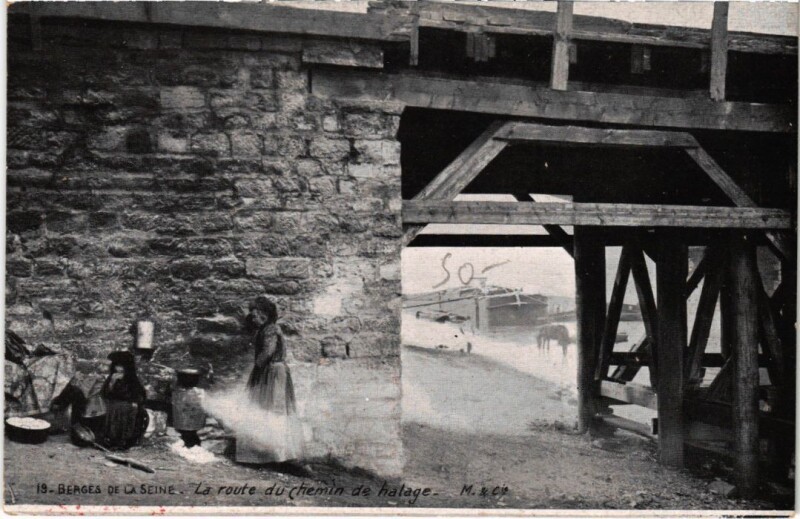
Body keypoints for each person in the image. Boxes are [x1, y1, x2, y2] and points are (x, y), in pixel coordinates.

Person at [236, 296, 303, 464]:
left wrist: (258, 367)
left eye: (255, 315)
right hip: (271, 371)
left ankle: (276, 455)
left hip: (272, 373)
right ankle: (265, 454)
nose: (253, 318)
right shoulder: (266, 329)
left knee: (273, 409)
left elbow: (268, 351)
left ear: (264, 315)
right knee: (265, 409)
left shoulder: (270, 329)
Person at [101, 351, 148, 450]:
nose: (118, 369)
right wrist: (112, 383)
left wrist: (134, 402)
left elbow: (138, 394)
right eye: (116, 366)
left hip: (128, 404)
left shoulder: (131, 378)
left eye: (121, 366)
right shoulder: (112, 377)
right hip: (113, 403)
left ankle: (125, 440)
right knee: (113, 409)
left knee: (126, 409)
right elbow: (105, 393)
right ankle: (112, 439)